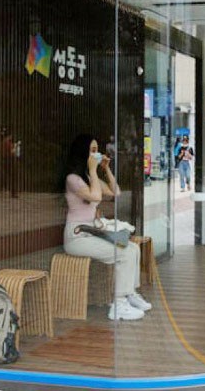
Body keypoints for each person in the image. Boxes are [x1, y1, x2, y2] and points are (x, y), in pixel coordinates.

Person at [63, 134, 151, 321]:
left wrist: (106, 169)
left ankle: (129, 294)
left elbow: (115, 192)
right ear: (83, 153)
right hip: (77, 237)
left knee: (133, 248)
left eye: (97, 150)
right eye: (93, 151)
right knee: (125, 252)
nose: (97, 154)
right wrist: (94, 171)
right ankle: (118, 304)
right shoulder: (73, 178)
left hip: (91, 233)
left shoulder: (88, 177)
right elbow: (95, 197)